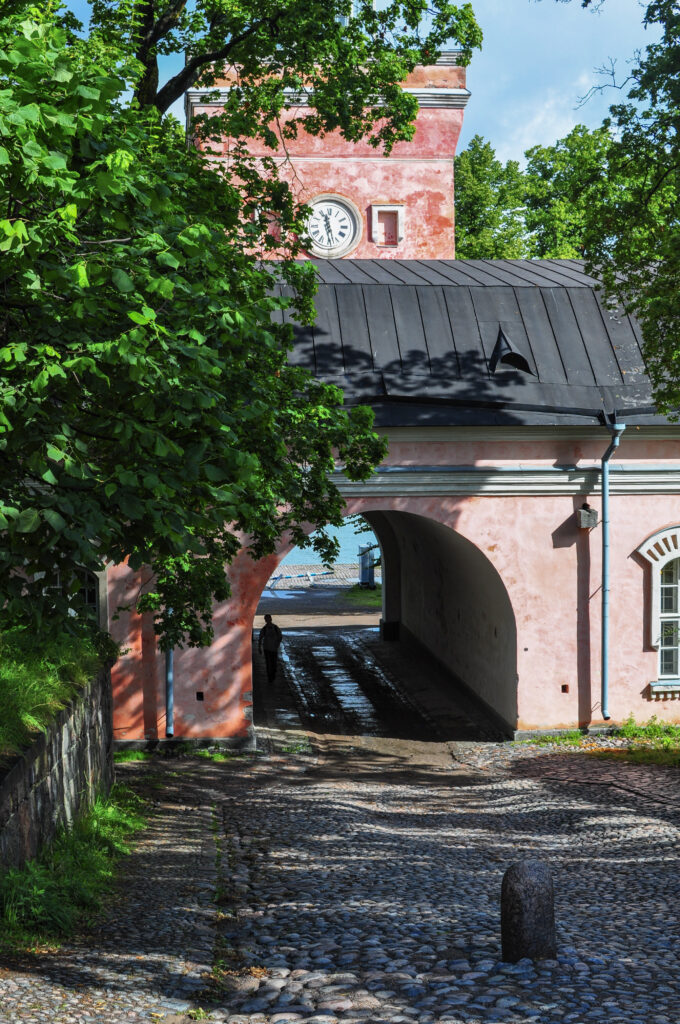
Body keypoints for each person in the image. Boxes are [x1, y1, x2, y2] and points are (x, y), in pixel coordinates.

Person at [259, 613, 283, 683]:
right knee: (268, 663)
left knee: (273, 663)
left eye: (268, 618)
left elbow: (280, 637)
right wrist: (259, 647)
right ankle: (270, 677)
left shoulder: (275, 628)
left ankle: (272, 675)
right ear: (265, 620)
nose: (267, 620)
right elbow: (260, 638)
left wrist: (277, 644)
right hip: (266, 648)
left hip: (273, 648)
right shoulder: (264, 629)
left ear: (270, 619)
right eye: (266, 619)